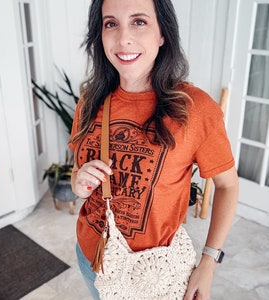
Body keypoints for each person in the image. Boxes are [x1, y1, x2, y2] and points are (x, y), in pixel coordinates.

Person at [69, 0, 239, 299]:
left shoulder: (195, 109)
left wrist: (209, 261)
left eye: (139, 22)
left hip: (152, 272)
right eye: (111, 23)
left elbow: (227, 185)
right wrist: (80, 182)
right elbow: (77, 175)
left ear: (163, 34)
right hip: (90, 256)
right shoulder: (89, 102)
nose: (123, 38)